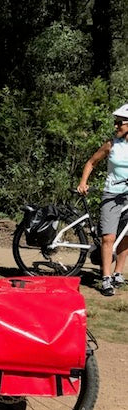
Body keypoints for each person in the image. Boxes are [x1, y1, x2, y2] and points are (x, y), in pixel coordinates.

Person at [77, 104, 128, 296]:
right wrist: (83, 182)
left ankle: (118, 273)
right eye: (115, 123)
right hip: (112, 194)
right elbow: (91, 162)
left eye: (119, 123)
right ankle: (106, 278)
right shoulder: (111, 145)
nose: (116, 126)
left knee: (126, 236)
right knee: (108, 237)